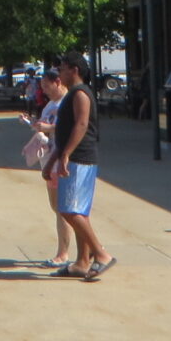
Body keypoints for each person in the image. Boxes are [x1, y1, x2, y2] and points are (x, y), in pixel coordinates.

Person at [42, 51, 116, 281]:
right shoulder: (71, 95)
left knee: (69, 209)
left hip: (81, 159)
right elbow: (63, 134)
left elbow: (82, 124)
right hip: (71, 157)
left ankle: (101, 254)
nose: (59, 73)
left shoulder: (81, 94)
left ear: (74, 71)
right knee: (78, 210)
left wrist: (66, 155)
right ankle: (82, 262)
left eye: (62, 69)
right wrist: (53, 160)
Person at [19, 68, 71, 267]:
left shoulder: (67, 102)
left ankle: (63, 253)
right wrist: (32, 123)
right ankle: (79, 249)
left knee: (62, 209)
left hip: (59, 159)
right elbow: (45, 125)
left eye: (47, 87)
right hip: (48, 157)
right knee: (56, 206)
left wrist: (48, 128)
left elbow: (72, 126)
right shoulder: (51, 104)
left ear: (58, 82)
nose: (45, 91)